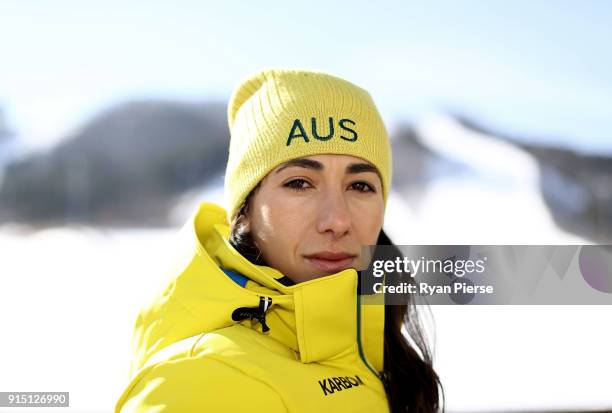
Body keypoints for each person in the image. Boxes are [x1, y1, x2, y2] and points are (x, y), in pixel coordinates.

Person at [115, 69, 442, 412]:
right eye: (299, 183)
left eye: (360, 186)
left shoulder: (378, 354)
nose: (338, 221)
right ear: (246, 209)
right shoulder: (201, 382)